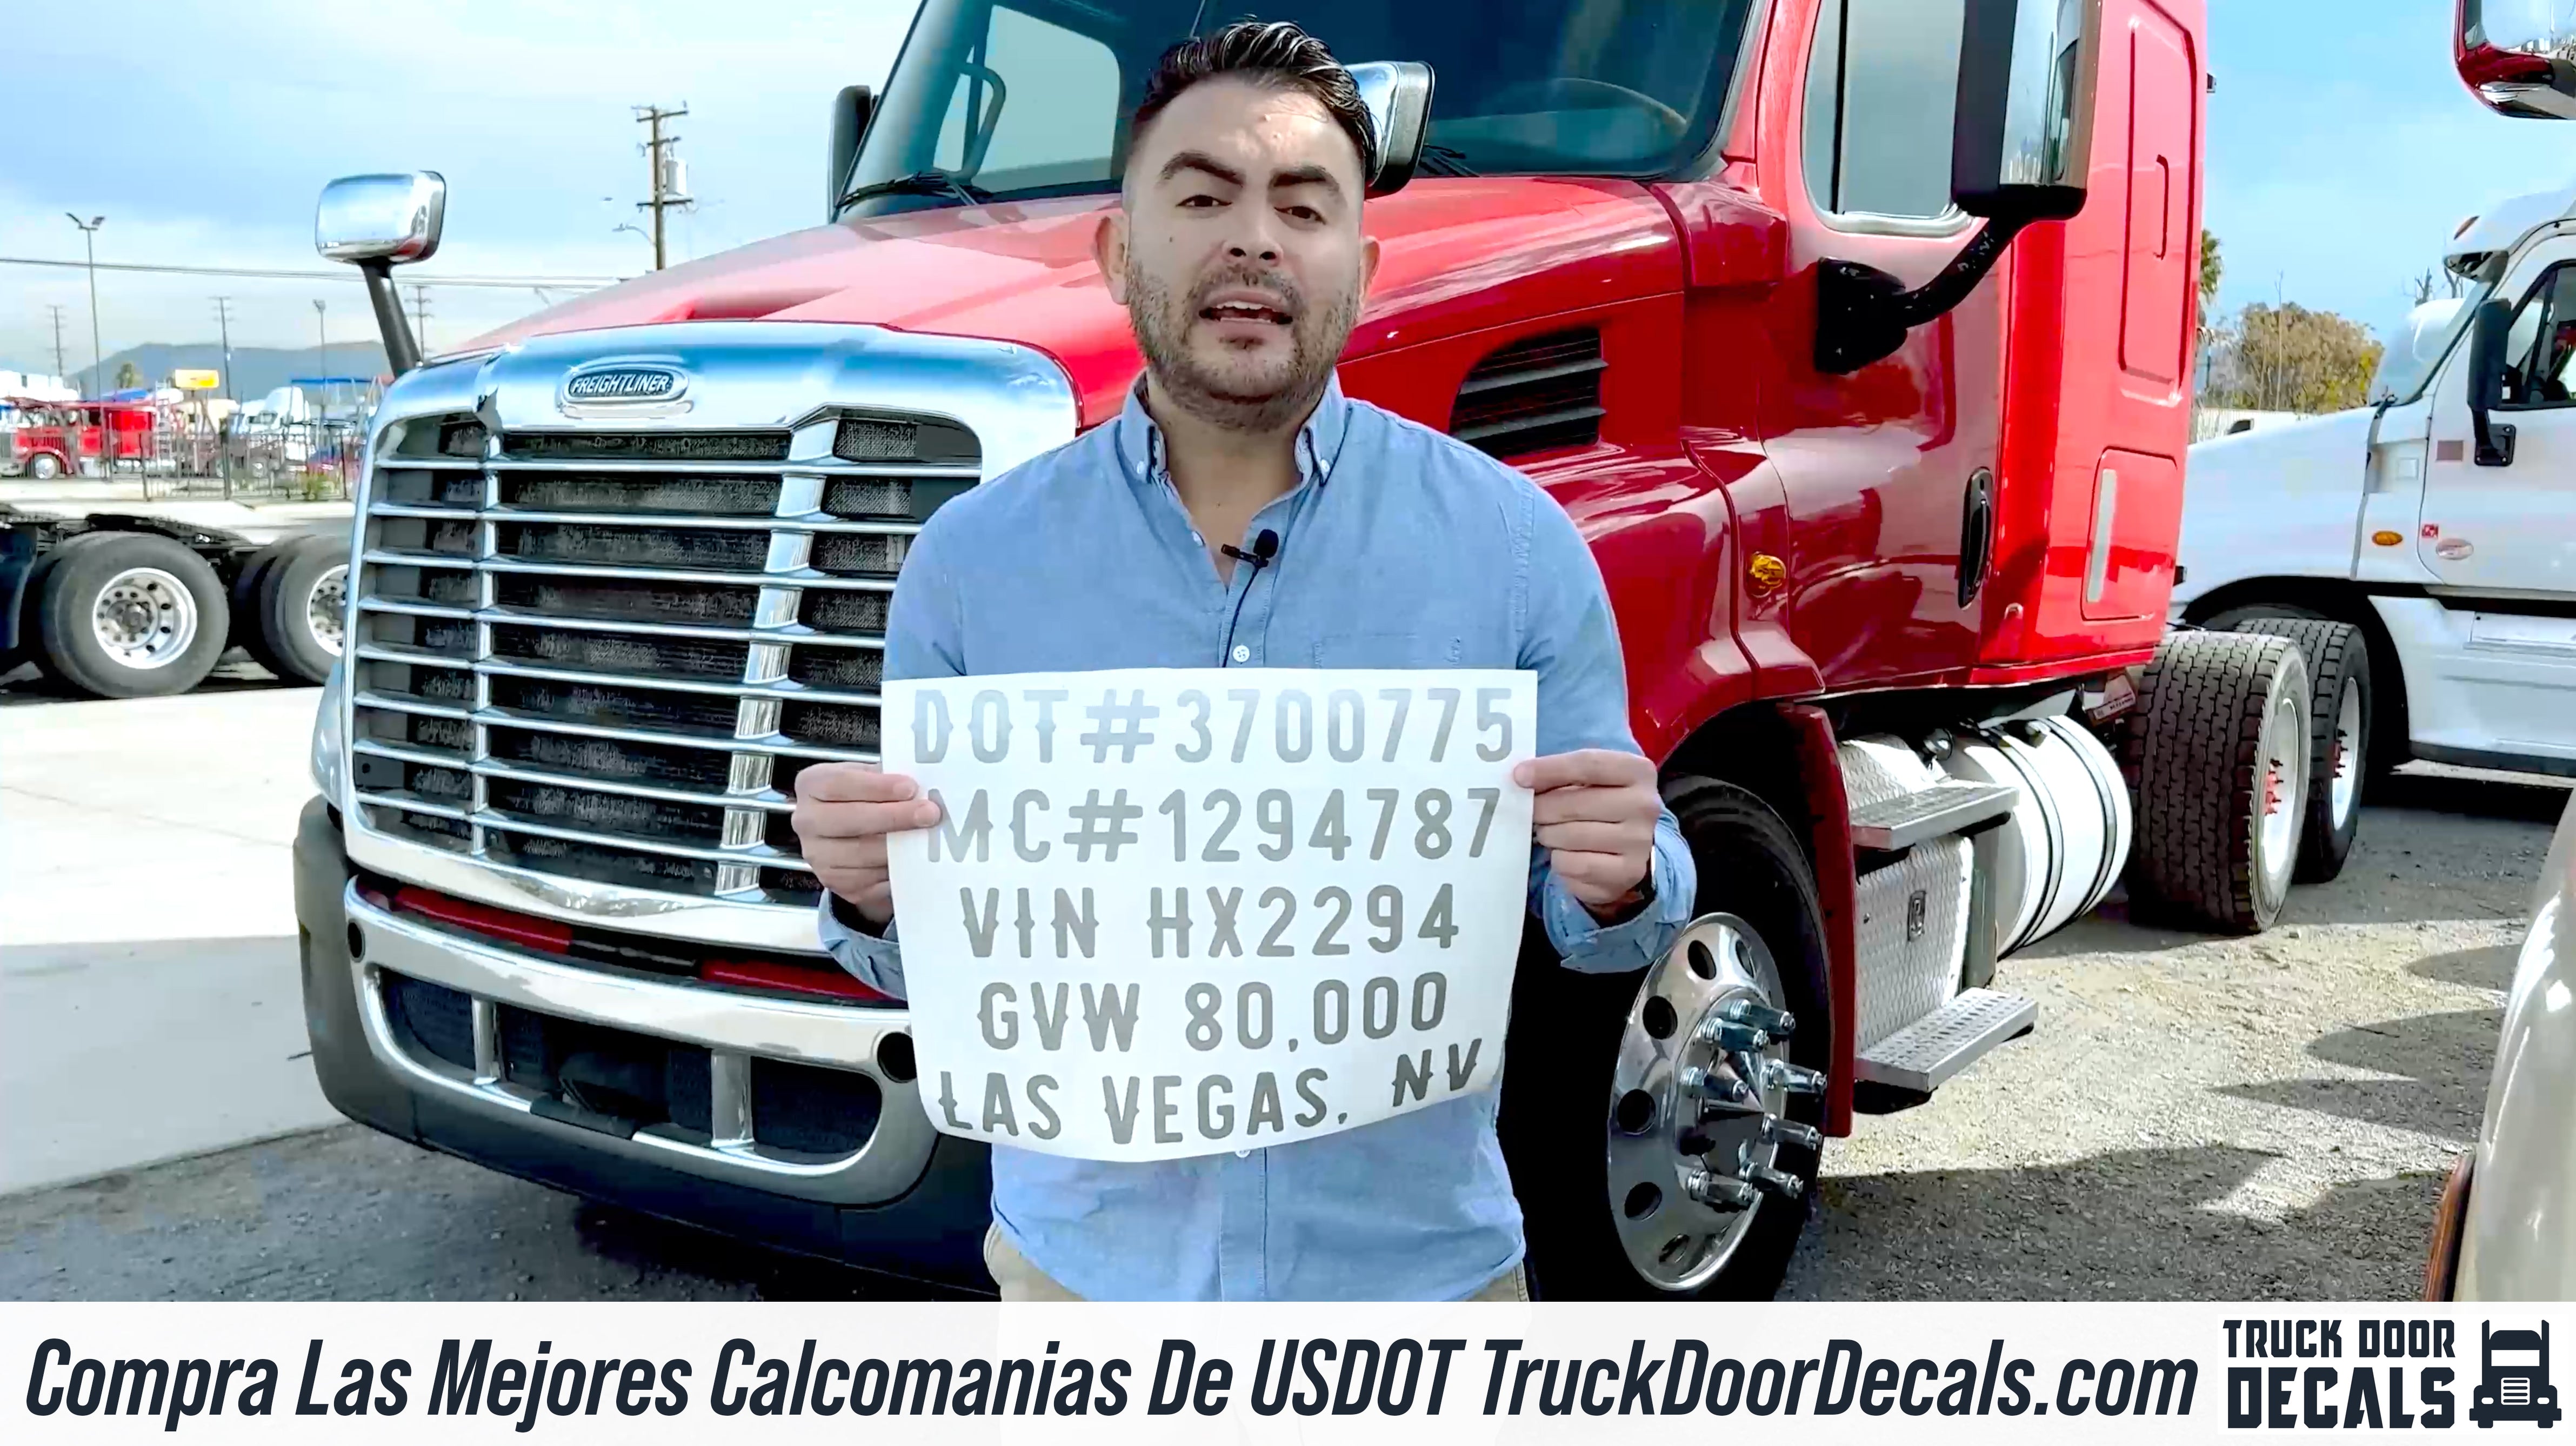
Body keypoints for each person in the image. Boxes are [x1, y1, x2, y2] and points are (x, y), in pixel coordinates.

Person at [793, 18, 1695, 1302]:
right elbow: (921, 961)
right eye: (1202, 194)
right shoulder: (968, 565)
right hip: (1082, 1292)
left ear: (1363, 264)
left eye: (1303, 204)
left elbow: (1603, 922)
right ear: (1117, 252)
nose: (1253, 238)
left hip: (1416, 1290)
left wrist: (1624, 873)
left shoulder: (1512, 545)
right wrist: (875, 895)